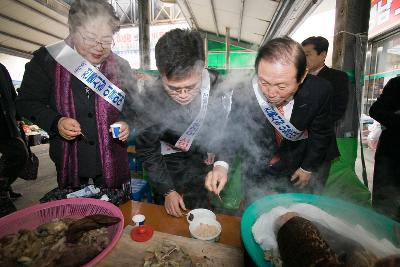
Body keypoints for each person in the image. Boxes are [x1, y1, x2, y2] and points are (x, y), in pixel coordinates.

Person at [17, 0, 135, 190]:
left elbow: (133, 106)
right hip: (69, 160)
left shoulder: (121, 66)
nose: (99, 46)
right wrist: (56, 121)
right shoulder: (48, 60)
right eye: (90, 37)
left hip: (113, 160)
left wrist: (126, 122)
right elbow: (26, 102)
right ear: (72, 30)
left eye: (106, 39)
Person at [205, 37, 336, 205]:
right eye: (264, 82)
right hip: (259, 162)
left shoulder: (320, 91)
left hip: (298, 161)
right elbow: (233, 131)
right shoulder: (245, 91)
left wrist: (307, 167)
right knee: (256, 209)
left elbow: (321, 133)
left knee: (296, 213)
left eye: (282, 86)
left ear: (302, 75)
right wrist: (221, 166)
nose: (271, 93)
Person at [135, 29, 231, 217]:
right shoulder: (150, 96)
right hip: (167, 160)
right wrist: (167, 191)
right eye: (174, 89)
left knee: (201, 208)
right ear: (161, 74)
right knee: (169, 214)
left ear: (201, 68)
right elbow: (147, 148)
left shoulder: (218, 86)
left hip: (202, 157)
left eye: (191, 87)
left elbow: (231, 129)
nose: (184, 95)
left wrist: (221, 164)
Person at [301, 36, 349, 185]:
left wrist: (305, 123)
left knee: (314, 190)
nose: (303, 59)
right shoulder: (296, 77)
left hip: (320, 146)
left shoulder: (337, 77)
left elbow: (338, 110)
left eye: (307, 54)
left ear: (323, 55)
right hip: (294, 146)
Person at [369, 76, 400, 220]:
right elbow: (375, 110)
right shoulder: (397, 83)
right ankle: (382, 239)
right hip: (392, 155)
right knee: (385, 207)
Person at [0, 63, 28, 217]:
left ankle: (4, 187)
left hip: (6, 121)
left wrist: (17, 117)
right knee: (15, 154)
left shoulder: (1, 68)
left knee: (17, 154)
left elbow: (10, 93)